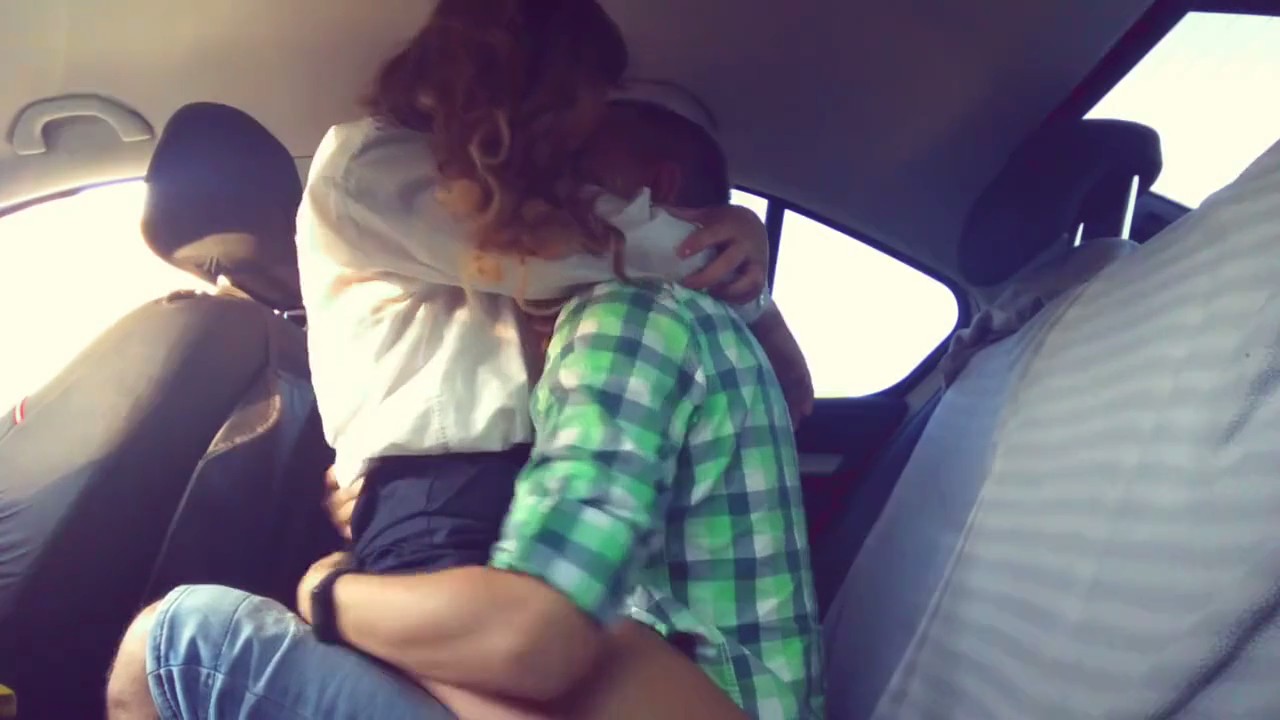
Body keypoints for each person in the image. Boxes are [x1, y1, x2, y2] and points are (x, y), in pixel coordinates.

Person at [105, 0, 821, 717]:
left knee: (171, 645)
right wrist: (740, 280)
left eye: (581, 166)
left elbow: (535, 637)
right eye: (567, 144)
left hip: (481, 536)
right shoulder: (376, 172)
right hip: (437, 507)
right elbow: (578, 243)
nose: (567, 185)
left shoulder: (629, 317)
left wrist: (325, 591)